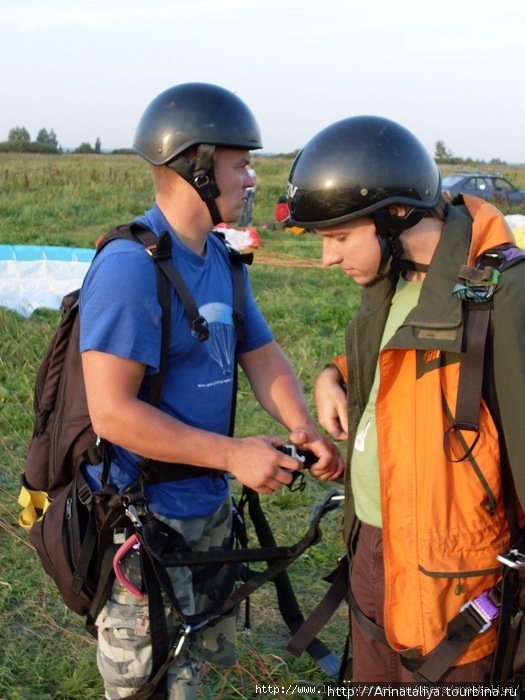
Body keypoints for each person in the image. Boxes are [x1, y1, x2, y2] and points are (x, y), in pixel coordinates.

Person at [79, 82, 343, 700]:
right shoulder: (129, 267)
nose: (252, 177)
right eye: (241, 163)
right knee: (151, 682)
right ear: (197, 166)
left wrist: (300, 425)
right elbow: (111, 412)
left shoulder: (219, 258)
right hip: (141, 520)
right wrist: (232, 455)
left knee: (199, 662)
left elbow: (259, 349)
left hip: (207, 506)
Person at [286, 115, 525, 683]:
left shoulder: (504, 299)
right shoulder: (393, 281)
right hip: (372, 546)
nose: (327, 258)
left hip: (459, 590)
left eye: (339, 237)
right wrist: (331, 375)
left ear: (396, 214)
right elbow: (404, 359)